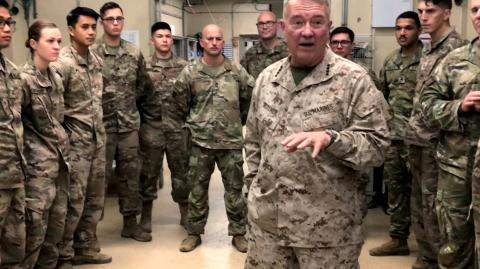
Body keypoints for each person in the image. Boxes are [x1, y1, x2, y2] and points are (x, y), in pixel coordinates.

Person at [243, 0, 390, 267]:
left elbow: (378, 147)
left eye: (317, 22)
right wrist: (253, 188)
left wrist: (333, 139)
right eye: (298, 22)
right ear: (283, 27)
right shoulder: (267, 79)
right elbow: (253, 141)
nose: (307, 31)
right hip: (268, 229)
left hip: (328, 234)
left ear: (328, 28)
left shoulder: (354, 80)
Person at [176, 24, 255, 253]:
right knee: (197, 190)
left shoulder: (236, 71)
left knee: (234, 190)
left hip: (230, 143)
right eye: (209, 38)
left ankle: (238, 233)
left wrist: (234, 123)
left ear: (223, 42)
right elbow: (179, 105)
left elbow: (248, 100)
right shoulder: (190, 73)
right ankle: (194, 233)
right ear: (201, 42)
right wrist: (195, 126)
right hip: (200, 143)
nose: (214, 42)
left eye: (218, 38)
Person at [404, 0, 467, 268]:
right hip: (418, 138)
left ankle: (440, 259)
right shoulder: (429, 48)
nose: (423, 17)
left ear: (447, 13)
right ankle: (427, 255)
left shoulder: (458, 49)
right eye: (420, 11)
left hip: (439, 141)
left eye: (430, 11)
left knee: (437, 207)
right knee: (419, 202)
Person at [420, 0, 477, 267]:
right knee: (454, 245)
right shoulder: (455, 60)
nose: (479, 15)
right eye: (475, 9)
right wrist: (459, 107)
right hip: (457, 168)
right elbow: (426, 106)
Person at [54, 7, 111, 269]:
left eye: (93, 27)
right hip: (74, 146)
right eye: (85, 27)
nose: (90, 31)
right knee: (72, 202)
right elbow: (54, 111)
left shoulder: (96, 60)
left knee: (95, 199)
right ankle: (64, 253)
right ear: (71, 29)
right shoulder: (61, 64)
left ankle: (85, 246)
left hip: (97, 142)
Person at [93, 1, 150, 242]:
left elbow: (142, 86)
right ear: (102, 22)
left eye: (119, 18)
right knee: (98, 179)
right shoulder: (92, 53)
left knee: (130, 177)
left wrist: (129, 109)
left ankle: (130, 224)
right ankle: (88, 233)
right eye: (110, 19)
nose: (116, 23)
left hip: (128, 127)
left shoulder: (134, 52)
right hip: (102, 128)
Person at [369, 11, 422, 260]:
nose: (402, 33)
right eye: (398, 28)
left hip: (422, 141)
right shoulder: (390, 61)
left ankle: (428, 248)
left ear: (418, 31)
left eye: (408, 28)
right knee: (397, 192)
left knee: (424, 195)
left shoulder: (429, 59)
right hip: (395, 139)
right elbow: (383, 98)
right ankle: (398, 239)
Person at [19, 20, 69, 269]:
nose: (57, 46)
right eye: (50, 41)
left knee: (55, 229)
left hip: (58, 165)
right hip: (36, 171)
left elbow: (58, 122)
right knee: (34, 232)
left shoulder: (56, 77)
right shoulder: (22, 81)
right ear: (33, 44)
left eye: (59, 41)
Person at [138, 21, 189, 233]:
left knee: (181, 173)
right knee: (148, 173)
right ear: (152, 40)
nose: (165, 40)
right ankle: (146, 216)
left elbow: (191, 96)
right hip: (152, 128)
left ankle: (185, 213)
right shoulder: (144, 67)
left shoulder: (184, 66)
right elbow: (136, 96)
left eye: (168, 36)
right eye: (160, 36)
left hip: (177, 128)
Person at [0, 1, 26, 268]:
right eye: (0, 23)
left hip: (13, 174)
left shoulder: (11, 72)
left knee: (15, 249)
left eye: (9, 23)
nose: (7, 28)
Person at [240, 11, 289, 79]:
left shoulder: (290, 51)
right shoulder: (249, 55)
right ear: (257, 27)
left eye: (269, 23)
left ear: (277, 25)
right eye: (261, 24)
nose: (265, 27)